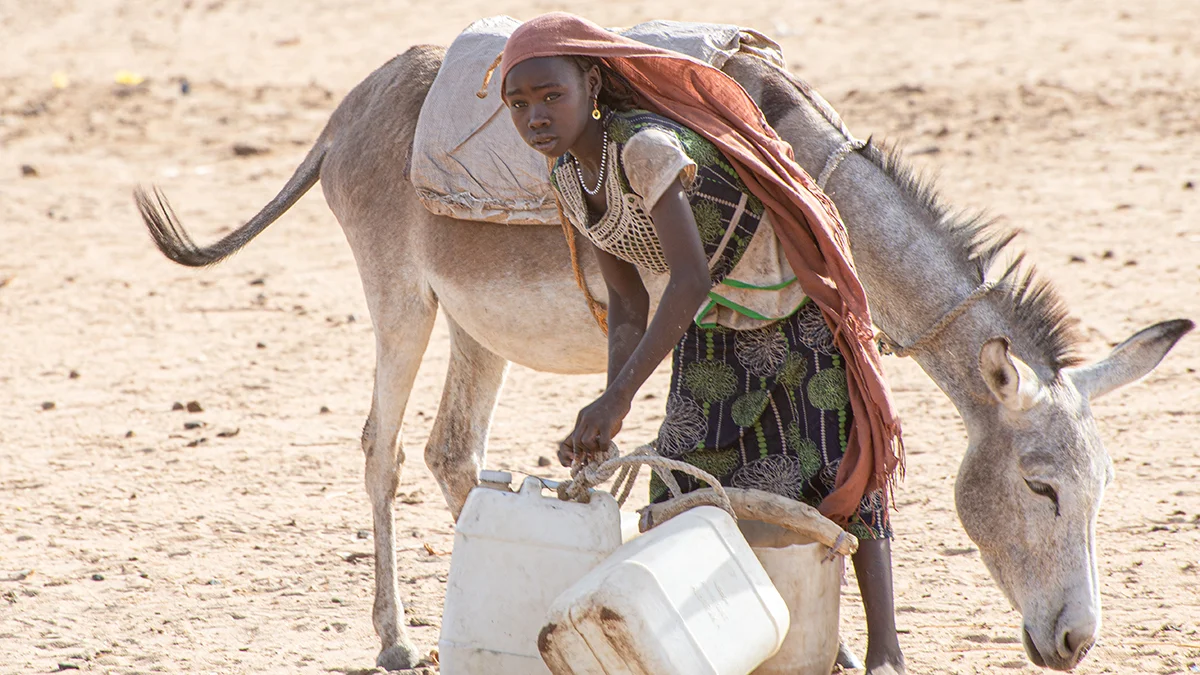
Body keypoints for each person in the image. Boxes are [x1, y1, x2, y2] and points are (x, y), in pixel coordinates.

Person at [499, 13, 905, 673]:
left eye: (551, 96)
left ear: (592, 85)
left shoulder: (644, 148)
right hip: (714, 312)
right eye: (519, 105)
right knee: (685, 481)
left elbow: (683, 280)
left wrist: (618, 397)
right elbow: (628, 300)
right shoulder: (570, 181)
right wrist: (611, 403)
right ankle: (751, 636)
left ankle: (887, 649)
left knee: (837, 466)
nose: (535, 115)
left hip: (789, 296)